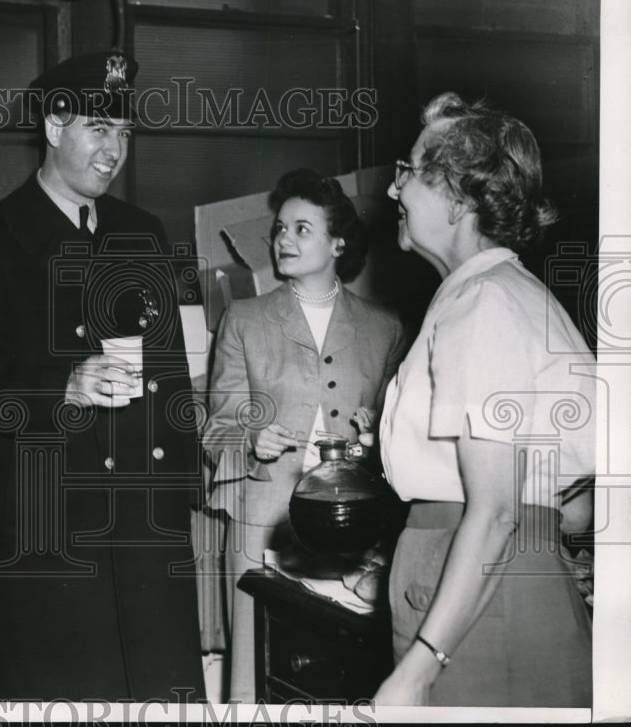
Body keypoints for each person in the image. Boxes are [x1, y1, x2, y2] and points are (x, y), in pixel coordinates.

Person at [0, 51, 206, 701]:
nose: (114, 150)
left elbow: (172, 376)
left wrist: (183, 492)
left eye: (124, 132)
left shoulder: (142, 232)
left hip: (148, 537)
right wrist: (63, 385)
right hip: (51, 538)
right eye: (99, 128)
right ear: (53, 126)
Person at [374, 92, 594, 706]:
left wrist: (418, 670)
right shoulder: (504, 292)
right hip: (495, 588)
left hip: (476, 604)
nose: (394, 192)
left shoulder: (482, 304)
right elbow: (569, 506)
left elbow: (497, 511)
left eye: (408, 173)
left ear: (459, 197)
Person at [202, 169, 406, 702]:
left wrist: (375, 438)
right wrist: (251, 440)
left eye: (301, 228)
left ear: (339, 242)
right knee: (257, 676)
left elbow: (400, 441)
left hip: (351, 529)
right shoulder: (244, 320)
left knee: (340, 676)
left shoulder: (384, 328)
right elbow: (217, 427)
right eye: (279, 229)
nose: (283, 240)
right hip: (261, 523)